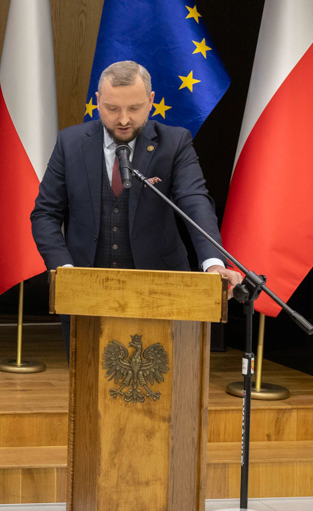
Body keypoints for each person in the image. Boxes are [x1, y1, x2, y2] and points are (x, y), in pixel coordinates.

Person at [31, 61, 243, 344]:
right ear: (97, 101)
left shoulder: (175, 142)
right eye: (112, 108)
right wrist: (65, 271)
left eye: (134, 108)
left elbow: (195, 201)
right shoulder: (70, 143)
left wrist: (213, 263)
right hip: (85, 289)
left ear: (151, 101)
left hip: (161, 287)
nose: (123, 120)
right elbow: (45, 213)